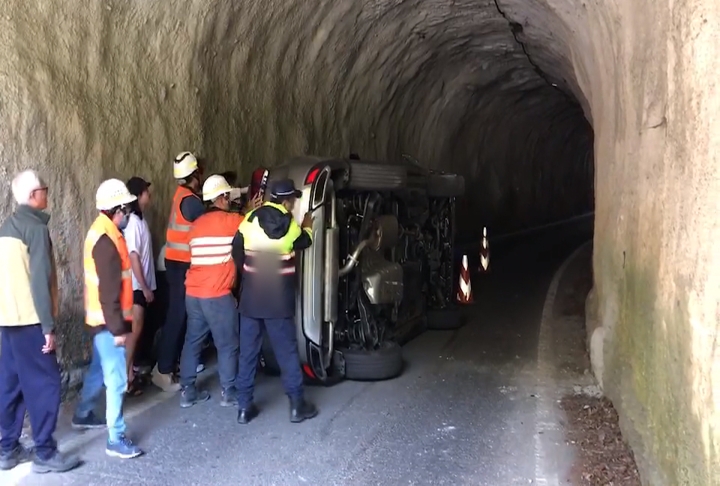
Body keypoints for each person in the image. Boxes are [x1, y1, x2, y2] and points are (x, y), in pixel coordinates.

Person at [0, 170, 80, 473]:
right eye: (45, 189)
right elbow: (39, 282)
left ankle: (7, 448)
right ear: (35, 195)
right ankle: (45, 450)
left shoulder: (6, 227)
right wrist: (47, 327)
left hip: (7, 320)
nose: (48, 193)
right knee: (46, 384)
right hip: (30, 321)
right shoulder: (34, 228)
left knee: (11, 384)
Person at [233, 179, 318, 424]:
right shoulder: (291, 226)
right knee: (287, 352)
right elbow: (306, 242)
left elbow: (235, 248)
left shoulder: (249, 219)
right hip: (278, 301)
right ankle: (296, 405)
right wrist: (308, 226)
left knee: (248, 353)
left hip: (251, 299)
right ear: (288, 200)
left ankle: (243, 408)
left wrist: (249, 275)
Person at [71, 179, 143, 459]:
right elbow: (110, 291)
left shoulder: (101, 231)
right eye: (125, 208)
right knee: (116, 381)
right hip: (108, 323)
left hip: (100, 321)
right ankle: (116, 437)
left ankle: (84, 412)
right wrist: (118, 330)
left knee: (100, 369)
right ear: (118, 209)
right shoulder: (107, 240)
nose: (127, 213)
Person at [178, 175, 247, 408]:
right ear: (222, 197)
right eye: (227, 196)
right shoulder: (232, 221)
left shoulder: (195, 226)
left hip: (193, 294)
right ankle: (229, 391)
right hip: (217, 295)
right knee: (228, 343)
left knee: (192, 341)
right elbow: (251, 225)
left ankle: (187, 391)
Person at [153, 151, 205, 392]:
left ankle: (169, 366)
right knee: (178, 316)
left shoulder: (182, 195)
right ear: (195, 173)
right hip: (181, 265)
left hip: (174, 263)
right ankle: (163, 370)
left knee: (179, 315)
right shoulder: (192, 201)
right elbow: (209, 220)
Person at [122, 177, 156, 397]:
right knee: (134, 333)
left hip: (141, 285)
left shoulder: (140, 220)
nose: (149, 195)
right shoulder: (133, 222)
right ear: (139, 195)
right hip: (136, 287)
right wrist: (143, 287)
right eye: (146, 191)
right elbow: (133, 256)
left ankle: (130, 374)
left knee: (137, 332)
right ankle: (125, 378)